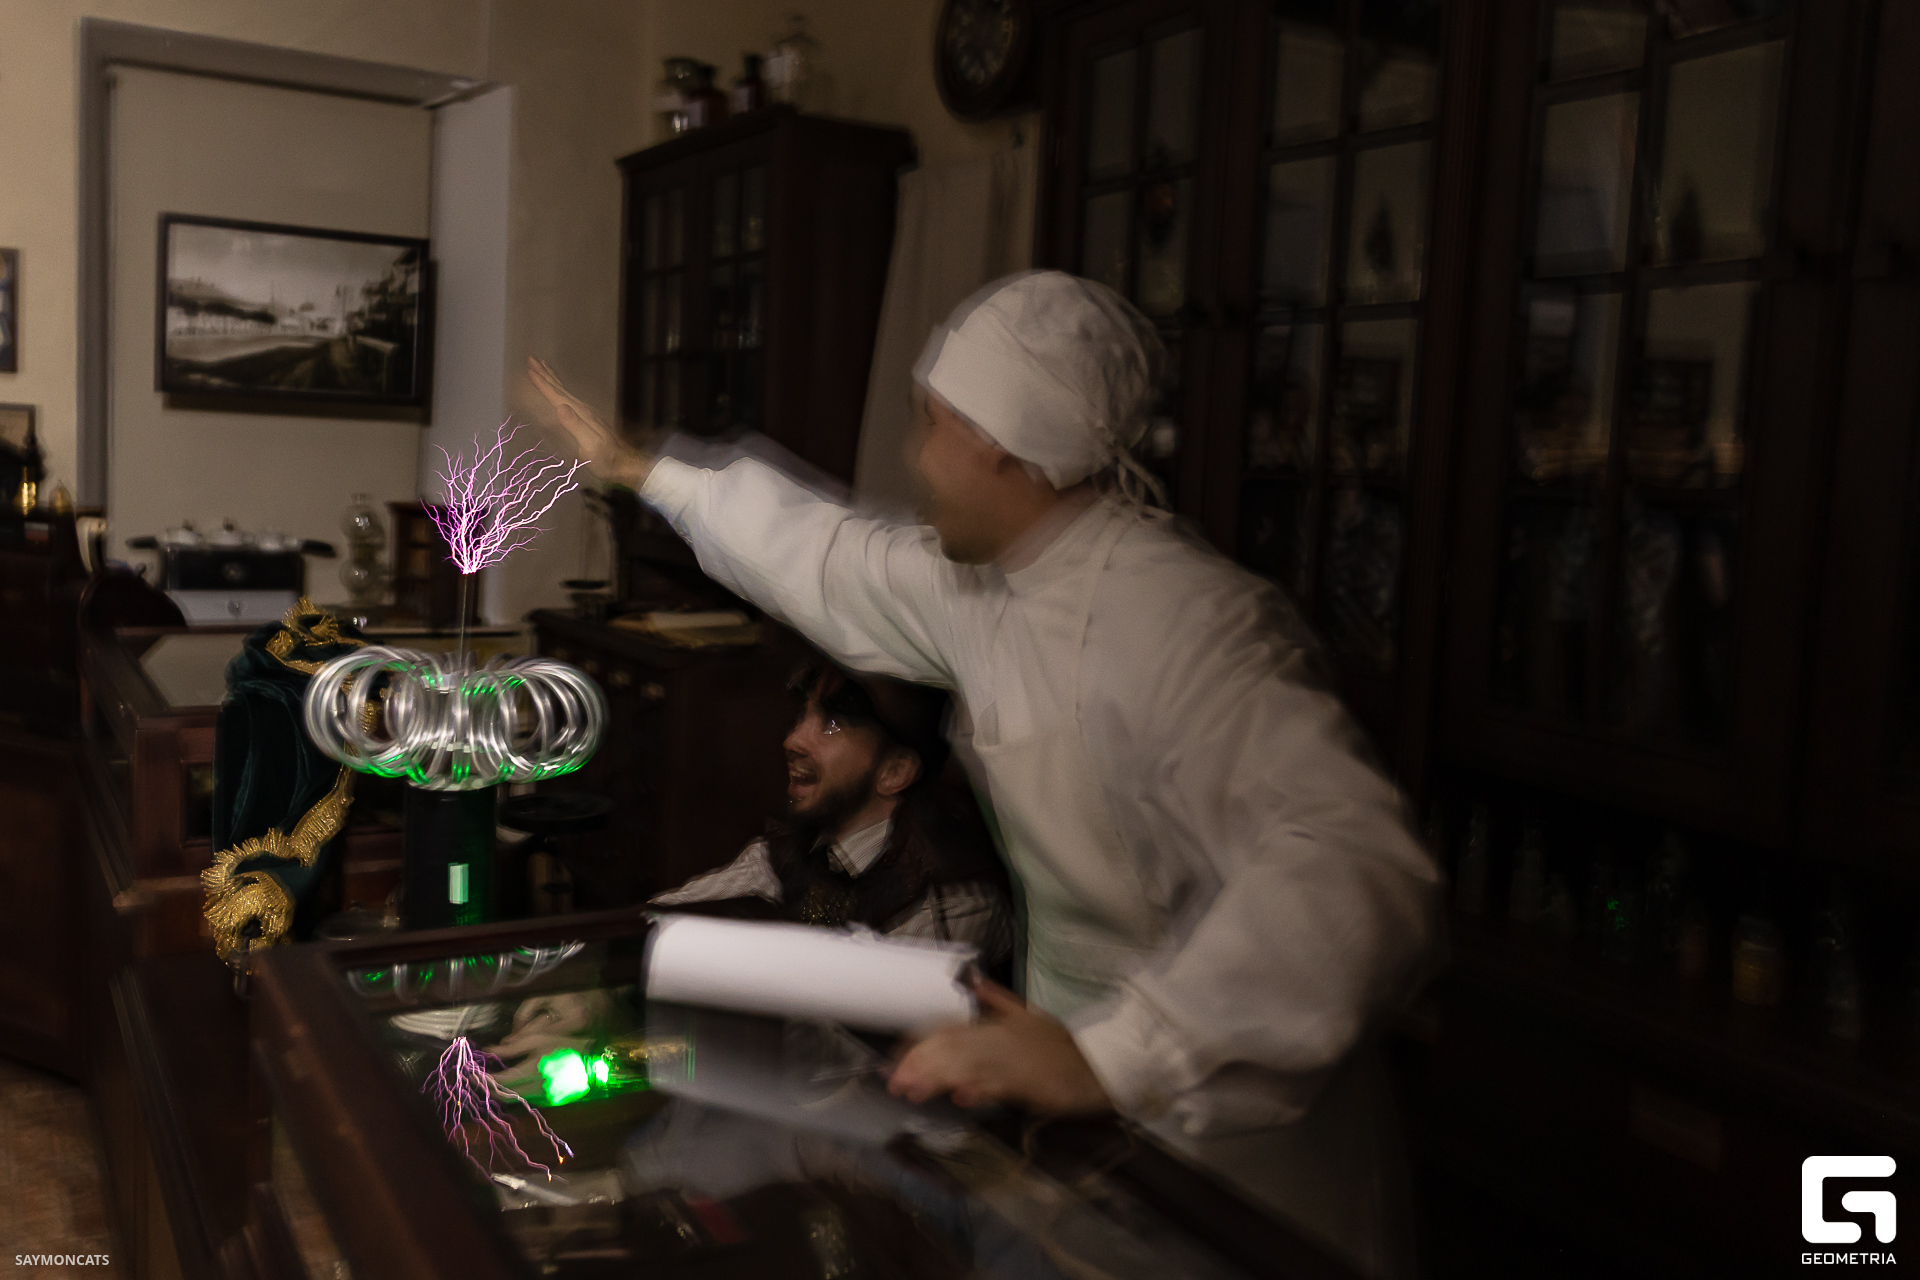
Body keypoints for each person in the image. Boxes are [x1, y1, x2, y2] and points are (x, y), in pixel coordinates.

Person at [531, 270, 1443, 1279]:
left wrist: (1118, 1054)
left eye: (932, 424)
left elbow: (1355, 862)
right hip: (1073, 1119)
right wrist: (646, 470)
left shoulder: (1188, 623)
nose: (914, 457)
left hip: (1229, 1157)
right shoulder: (988, 582)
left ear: (1001, 441)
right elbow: (828, 556)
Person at [652, 660, 1014, 976]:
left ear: (895, 771)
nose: (793, 740)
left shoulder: (949, 899)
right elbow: (659, 923)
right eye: (802, 717)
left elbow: (863, 1019)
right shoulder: (800, 848)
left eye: (832, 725)